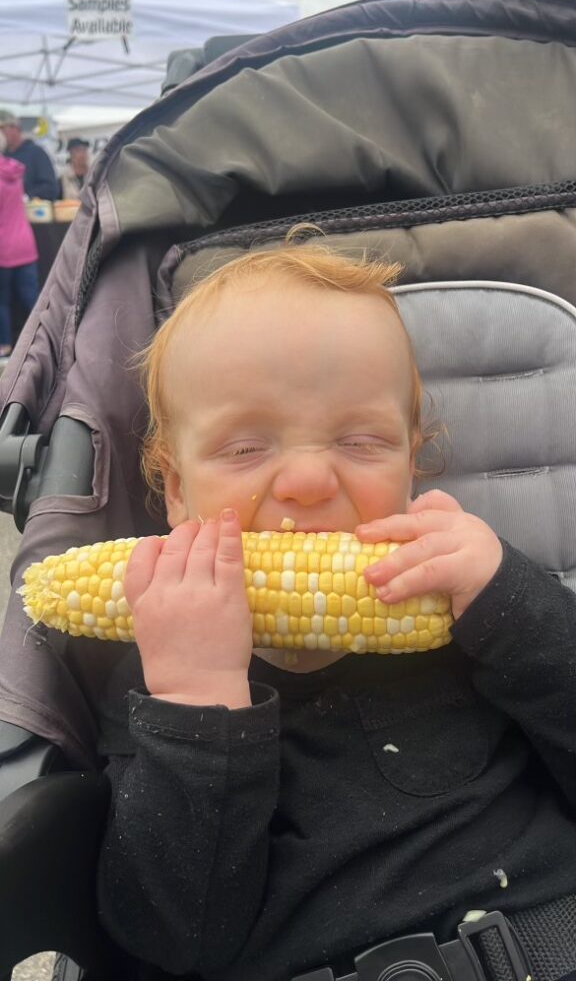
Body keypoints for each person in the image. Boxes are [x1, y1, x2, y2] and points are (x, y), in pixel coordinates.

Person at [96, 242, 576, 981]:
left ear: (414, 462)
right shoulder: (155, 675)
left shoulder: (485, 615)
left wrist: (512, 601)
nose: (312, 479)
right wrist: (196, 702)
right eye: (247, 446)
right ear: (176, 488)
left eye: (362, 441)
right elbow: (171, 940)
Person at [0, 152, 39, 358]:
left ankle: (4, 346)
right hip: (25, 243)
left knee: (2, 302)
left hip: (3, 247)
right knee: (33, 300)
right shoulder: (14, 170)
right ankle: (44, 340)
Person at [0, 110, 59, 202]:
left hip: (34, 212)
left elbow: (50, 188)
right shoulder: (3, 157)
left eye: (2, 129)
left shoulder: (36, 153)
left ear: (15, 128)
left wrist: (27, 197)